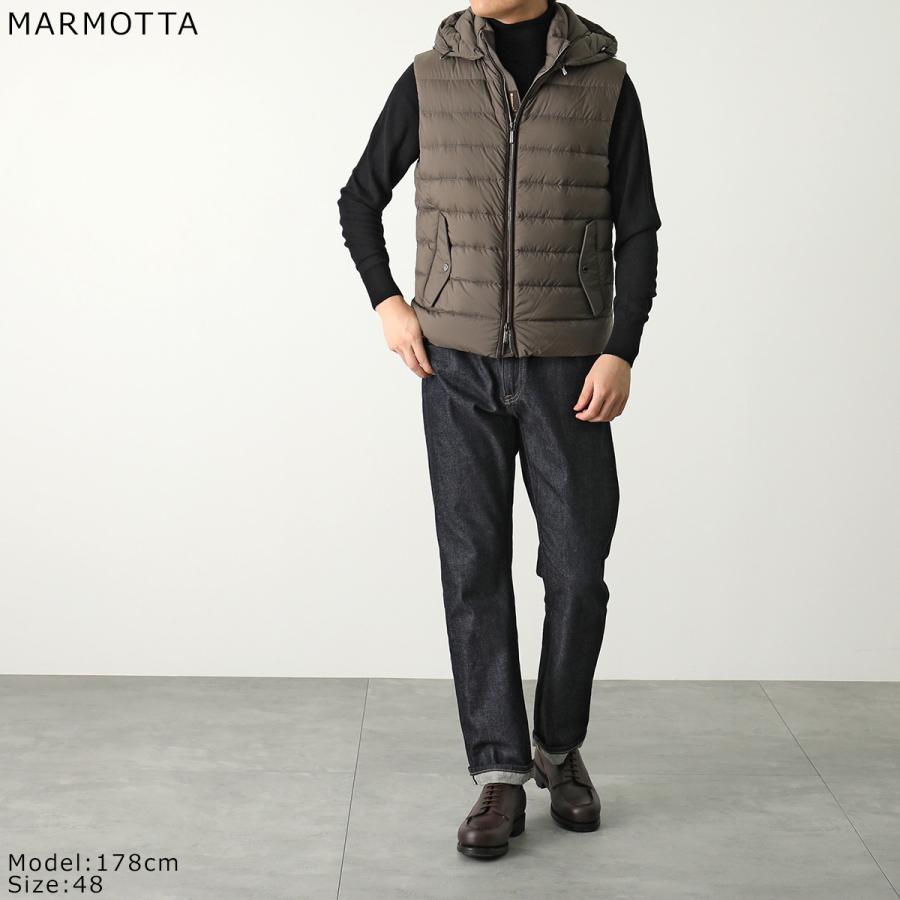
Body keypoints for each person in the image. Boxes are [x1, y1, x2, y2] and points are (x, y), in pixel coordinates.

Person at [338, 0, 660, 860]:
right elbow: (359, 198)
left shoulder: (606, 83)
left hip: (569, 370)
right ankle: (499, 771)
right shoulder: (428, 78)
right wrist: (388, 302)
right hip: (456, 369)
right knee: (474, 570)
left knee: (578, 570)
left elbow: (638, 228)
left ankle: (558, 744)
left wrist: (621, 349)